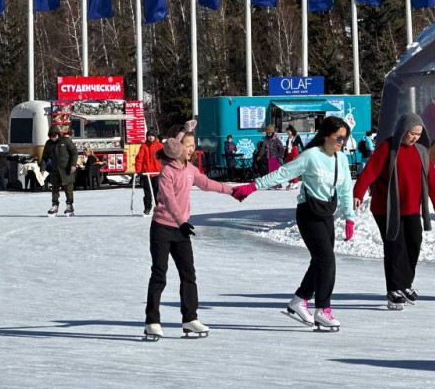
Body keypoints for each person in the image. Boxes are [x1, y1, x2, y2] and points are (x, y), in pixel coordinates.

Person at [232, 116, 355, 331]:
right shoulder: (310, 156)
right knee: (326, 260)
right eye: (338, 138)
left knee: (320, 261)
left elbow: (345, 190)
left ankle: (299, 300)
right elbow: (283, 173)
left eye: (345, 139)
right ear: (326, 135)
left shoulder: (341, 159)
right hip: (308, 213)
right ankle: (322, 310)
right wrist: (253, 186)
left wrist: (350, 217)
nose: (342, 142)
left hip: (327, 213)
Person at [144, 120, 239, 341]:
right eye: (188, 145)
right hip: (163, 228)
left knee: (189, 275)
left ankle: (190, 319)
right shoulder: (167, 171)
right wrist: (181, 221)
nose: (192, 149)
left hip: (181, 230)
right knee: (159, 275)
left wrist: (231, 191)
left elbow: (206, 183)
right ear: (178, 148)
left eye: (193, 145)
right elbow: (168, 200)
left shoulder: (189, 168)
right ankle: (152, 321)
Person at [353, 113, 435, 309]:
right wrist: (358, 192)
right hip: (387, 209)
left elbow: (431, 178)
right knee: (395, 247)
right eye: (411, 133)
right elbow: (370, 171)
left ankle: (406, 284)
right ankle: (394, 289)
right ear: (402, 131)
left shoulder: (421, 151)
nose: (415, 137)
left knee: (414, 243)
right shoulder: (387, 148)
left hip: (411, 207)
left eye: (418, 134)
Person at [39, 125, 77, 216]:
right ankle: (55, 205)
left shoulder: (66, 141)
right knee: (55, 188)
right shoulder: (48, 143)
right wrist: (42, 168)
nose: (53, 138)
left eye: (55, 136)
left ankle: (69, 205)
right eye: (51, 136)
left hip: (66, 169)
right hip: (55, 170)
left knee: (68, 188)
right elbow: (44, 157)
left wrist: (73, 164)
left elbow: (74, 152)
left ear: (58, 134)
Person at [135, 129, 163, 214]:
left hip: (157, 172)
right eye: (149, 136)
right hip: (147, 172)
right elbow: (139, 158)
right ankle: (147, 207)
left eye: (152, 136)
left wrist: (165, 169)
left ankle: (159, 207)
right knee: (147, 192)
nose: (150, 137)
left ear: (155, 136)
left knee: (157, 191)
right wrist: (138, 170)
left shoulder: (160, 146)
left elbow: (164, 159)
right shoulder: (144, 146)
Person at [283, 125, 304, 190]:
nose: (288, 133)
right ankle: (291, 182)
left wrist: (304, 152)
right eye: (287, 132)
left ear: (292, 131)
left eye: (289, 131)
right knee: (289, 168)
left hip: (295, 152)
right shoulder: (288, 138)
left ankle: (295, 183)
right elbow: (287, 148)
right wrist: (284, 156)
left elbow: (301, 145)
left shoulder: (297, 137)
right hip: (289, 153)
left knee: (294, 168)